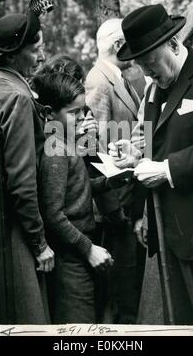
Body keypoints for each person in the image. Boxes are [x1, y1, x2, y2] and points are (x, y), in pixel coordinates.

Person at [109, 4, 193, 325]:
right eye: (140, 65)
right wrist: (136, 156)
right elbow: (159, 147)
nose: (146, 72)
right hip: (167, 235)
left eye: (150, 63)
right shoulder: (157, 87)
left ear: (173, 44)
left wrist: (167, 169)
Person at [0, 5, 55, 324]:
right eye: (36, 49)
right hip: (17, 232)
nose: (42, 57)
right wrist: (40, 243)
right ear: (14, 55)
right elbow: (21, 180)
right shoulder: (17, 97)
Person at [34, 70, 114, 323]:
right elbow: (53, 213)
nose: (81, 119)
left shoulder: (66, 142)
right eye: (73, 113)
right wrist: (88, 249)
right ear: (49, 113)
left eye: (83, 111)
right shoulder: (56, 151)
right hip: (72, 259)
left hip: (78, 252)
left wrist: (110, 181)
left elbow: (76, 189)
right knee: (78, 325)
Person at [85, 18, 145, 324]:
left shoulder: (118, 77)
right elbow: (91, 150)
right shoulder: (98, 82)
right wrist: (111, 209)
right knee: (117, 292)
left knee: (127, 286)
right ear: (119, 45)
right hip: (113, 206)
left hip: (126, 199)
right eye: (131, 42)